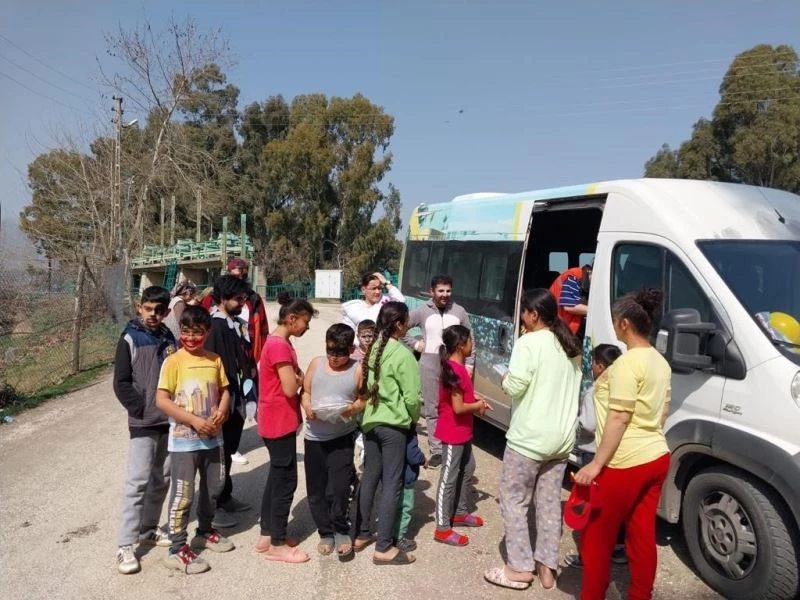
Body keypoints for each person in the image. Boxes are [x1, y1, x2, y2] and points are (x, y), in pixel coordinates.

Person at [574, 289, 672, 600]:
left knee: (595, 538)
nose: (615, 326)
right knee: (642, 534)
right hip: (656, 455)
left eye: (616, 322)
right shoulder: (660, 361)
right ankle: (640, 595)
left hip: (624, 462)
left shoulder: (629, 364)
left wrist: (596, 463)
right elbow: (663, 412)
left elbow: (618, 417)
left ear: (625, 323)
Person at [484, 289, 581, 591]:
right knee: (550, 504)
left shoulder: (528, 343)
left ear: (533, 315)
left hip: (528, 440)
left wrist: (504, 377)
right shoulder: (570, 346)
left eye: (524, 312)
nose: (522, 317)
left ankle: (519, 568)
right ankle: (547, 568)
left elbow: (515, 386)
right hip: (561, 442)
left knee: (514, 501)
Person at [155, 305, 234, 575]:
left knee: (215, 487)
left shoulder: (214, 360)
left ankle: (204, 531)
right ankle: (177, 548)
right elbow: (162, 400)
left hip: (214, 440)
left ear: (207, 332)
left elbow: (225, 391)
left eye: (197, 333)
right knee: (183, 493)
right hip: (184, 443)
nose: (190, 338)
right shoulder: (173, 361)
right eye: (186, 332)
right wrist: (193, 421)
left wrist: (223, 409)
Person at [350, 301, 421, 565]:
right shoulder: (403, 355)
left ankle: (360, 533)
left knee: (369, 478)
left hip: (370, 423)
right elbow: (412, 398)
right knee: (393, 483)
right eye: (407, 323)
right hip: (393, 426)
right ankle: (384, 547)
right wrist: (412, 420)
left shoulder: (373, 349)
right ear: (400, 325)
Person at [113, 286, 177, 574]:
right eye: (148, 308)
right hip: (143, 422)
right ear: (140, 307)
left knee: (161, 477)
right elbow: (121, 382)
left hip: (168, 420)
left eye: (159, 310)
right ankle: (126, 545)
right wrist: (138, 408)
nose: (153, 314)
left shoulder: (168, 337)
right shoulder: (129, 338)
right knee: (137, 482)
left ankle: (149, 528)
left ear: (165, 311)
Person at [256, 293, 317, 564]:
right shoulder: (279, 345)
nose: (306, 327)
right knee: (285, 480)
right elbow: (291, 387)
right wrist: (302, 379)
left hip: (277, 418)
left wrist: (298, 376)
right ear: (292, 319)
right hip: (278, 420)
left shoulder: (279, 342)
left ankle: (267, 533)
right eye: (304, 322)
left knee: (276, 475)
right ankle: (277, 543)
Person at [300, 323, 361, 562]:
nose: (334, 358)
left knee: (339, 488)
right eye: (331, 351)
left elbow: (364, 398)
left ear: (351, 348)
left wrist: (351, 409)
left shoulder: (357, 369)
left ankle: (341, 530)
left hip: (341, 437)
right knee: (316, 490)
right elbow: (305, 392)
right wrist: (307, 406)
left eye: (341, 352)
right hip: (314, 437)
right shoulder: (316, 363)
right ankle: (325, 531)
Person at [565, 343, 625, 568]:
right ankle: (618, 549)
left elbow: (588, 424)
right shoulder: (622, 388)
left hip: (593, 454)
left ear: (600, 366)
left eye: (593, 363)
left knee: (592, 506)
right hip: (616, 453)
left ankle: (587, 556)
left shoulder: (595, 390)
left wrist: (575, 425)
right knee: (614, 505)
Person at [203, 275, 256, 528]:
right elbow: (213, 367)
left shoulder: (233, 323)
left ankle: (225, 496)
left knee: (229, 449)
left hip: (236, 397)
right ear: (223, 298)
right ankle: (212, 510)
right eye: (238, 299)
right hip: (223, 400)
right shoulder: (215, 326)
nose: (242, 303)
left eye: (244, 299)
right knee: (218, 455)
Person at [404, 275, 472, 468]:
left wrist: (470, 364)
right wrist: (416, 344)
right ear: (432, 291)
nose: (444, 295)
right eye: (440, 291)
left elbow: (470, 337)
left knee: (454, 406)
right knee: (433, 407)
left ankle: (453, 444)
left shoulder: (459, 311)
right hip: (430, 363)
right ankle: (436, 450)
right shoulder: (422, 311)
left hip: (454, 364)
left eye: (448, 291)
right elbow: (402, 327)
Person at [433, 325, 490, 547]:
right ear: (460, 345)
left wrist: (477, 398)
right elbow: (457, 408)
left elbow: (462, 394)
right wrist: (477, 406)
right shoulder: (454, 370)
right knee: (448, 477)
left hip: (463, 432)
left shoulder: (458, 368)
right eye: (469, 341)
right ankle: (442, 527)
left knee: (469, 468)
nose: (472, 344)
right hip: (452, 432)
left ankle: (459, 512)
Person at [201, 257, 269, 364]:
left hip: (247, 355)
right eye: (236, 276)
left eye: (244, 276)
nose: (240, 279)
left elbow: (263, 330)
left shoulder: (254, 299)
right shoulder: (211, 299)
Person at [393, 423, 426, 553]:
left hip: (392, 477)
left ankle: (391, 531)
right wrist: (423, 459)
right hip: (406, 478)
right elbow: (412, 455)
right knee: (405, 508)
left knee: (394, 506)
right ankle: (399, 537)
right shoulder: (409, 431)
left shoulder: (392, 427)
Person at [549, 264, 592, 337]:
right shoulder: (574, 277)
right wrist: (599, 312)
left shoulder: (587, 281)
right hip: (559, 327)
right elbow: (569, 306)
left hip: (568, 328)